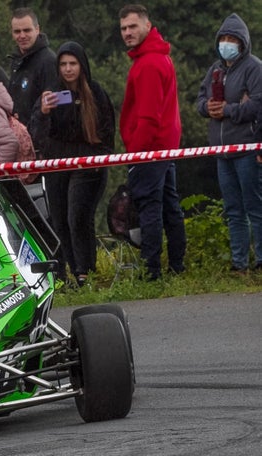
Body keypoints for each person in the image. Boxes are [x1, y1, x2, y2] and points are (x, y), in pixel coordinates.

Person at [31, 42, 115, 286]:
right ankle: (64, 273)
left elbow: (108, 130)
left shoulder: (96, 93)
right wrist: (44, 113)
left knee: (77, 216)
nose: (68, 69)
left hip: (88, 164)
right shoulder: (50, 94)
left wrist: (100, 160)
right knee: (59, 218)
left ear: (82, 65)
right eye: (63, 64)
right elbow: (36, 134)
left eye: (73, 63)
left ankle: (85, 270)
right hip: (57, 163)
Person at [119, 4, 186, 280]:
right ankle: (177, 266)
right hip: (164, 146)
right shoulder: (158, 57)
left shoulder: (148, 63)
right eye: (123, 28)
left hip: (149, 148)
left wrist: (135, 154)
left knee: (149, 207)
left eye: (133, 26)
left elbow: (147, 117)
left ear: (148, 25)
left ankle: (152, 271)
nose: (127, 33)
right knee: (169, 205)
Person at [196, 13, 262, 272]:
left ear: (243, 42)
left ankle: (260, 260)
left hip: (246, 147)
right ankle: (239, 263)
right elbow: (200, 99)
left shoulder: (254, 68)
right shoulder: (214, 69)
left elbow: (257, 104)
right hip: (221, 151)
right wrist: (208, 108)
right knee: (233, 209)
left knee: (255, 206)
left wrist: (229, 110)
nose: (226, 43)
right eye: (223, 38)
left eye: (232, 39)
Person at [8, 8, 58, 122]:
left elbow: (53, 108)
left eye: (27, 30)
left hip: (39, 135)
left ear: (37, 29)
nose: (22, 35)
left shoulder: (48, 61)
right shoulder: (15, 60)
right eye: (17, 31)